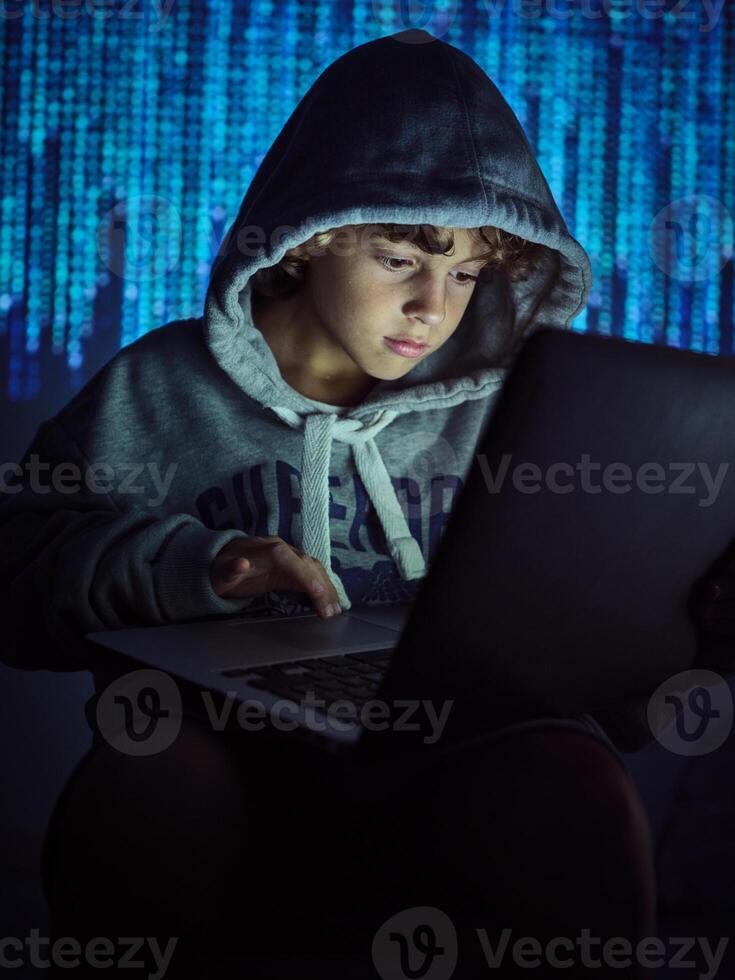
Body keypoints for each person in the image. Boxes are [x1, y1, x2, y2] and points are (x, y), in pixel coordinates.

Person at [1, 27, 733, 979]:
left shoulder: (523, 417)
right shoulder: (154, 392)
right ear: (308, 242)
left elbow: (603, 678)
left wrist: (693, 632)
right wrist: (197, 565)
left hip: (458, 752)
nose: (436, 307)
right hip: (221, 748)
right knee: (151, 780)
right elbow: (17, 575)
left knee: (574, 779)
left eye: (468, 273)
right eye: (400, 259)